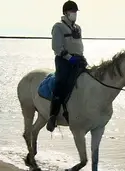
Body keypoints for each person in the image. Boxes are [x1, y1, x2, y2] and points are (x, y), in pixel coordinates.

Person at [47, 0, 87, 132]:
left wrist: (81, 58)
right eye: (72, 11)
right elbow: (56, 47)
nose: (74, 14)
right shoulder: (58, 27)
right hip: (64, 60)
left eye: (76, 12)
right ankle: (53, 116)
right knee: (61, 82)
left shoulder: (78, 28)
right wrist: (69, 58)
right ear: (65, 12)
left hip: (78, 59)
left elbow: (79, 45)